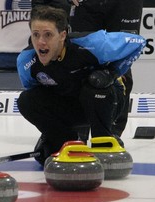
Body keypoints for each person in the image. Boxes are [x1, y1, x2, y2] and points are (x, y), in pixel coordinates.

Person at [16, 5, 145, 165]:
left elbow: (138, 42)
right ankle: (65, 141)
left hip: (105, 101)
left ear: (62, 35)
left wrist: (112, 73)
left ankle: (103, 140)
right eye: (36, 35)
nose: (41, 42)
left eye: (48, 35)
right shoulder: (26, 61)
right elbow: (36, 93)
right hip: (70, 104)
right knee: (26, 100)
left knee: (94, 83)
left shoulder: (92, 44)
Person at [68, 0, 144, 137]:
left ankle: (112, 132)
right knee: (79, 55)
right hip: (85, 4)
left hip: (125, 4)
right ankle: (78, 131)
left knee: (122, 55)